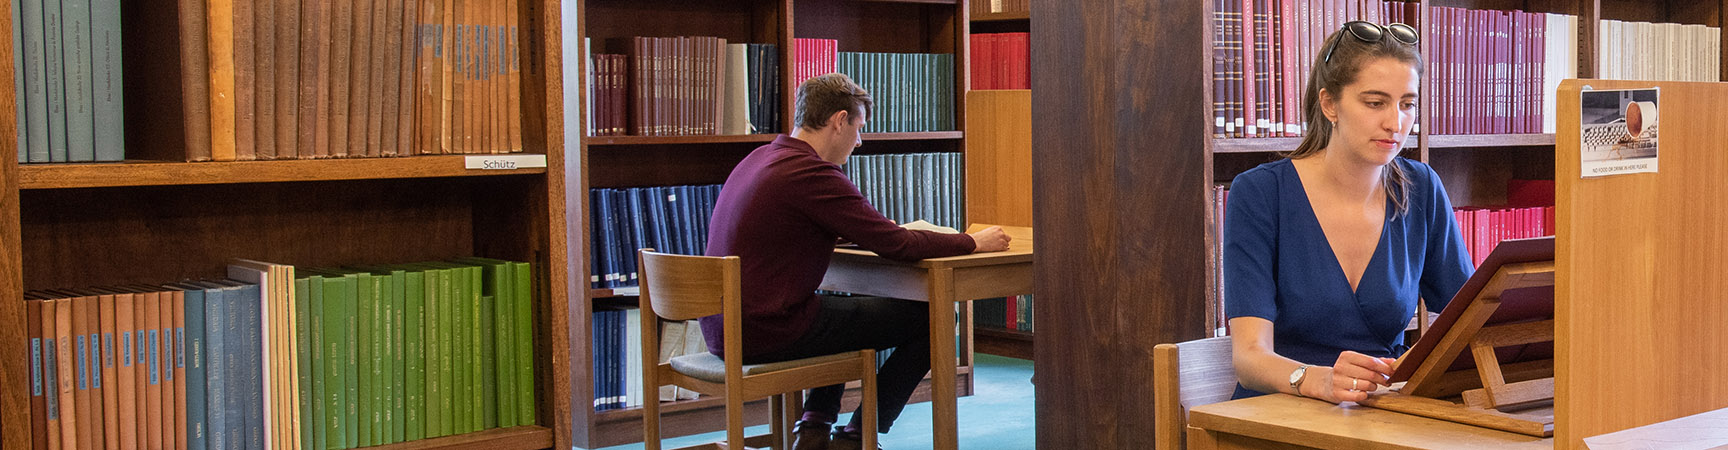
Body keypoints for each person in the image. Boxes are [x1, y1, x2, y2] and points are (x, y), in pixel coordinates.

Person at [702, 72, 1012, 450]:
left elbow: (800, 226)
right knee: (935, 318)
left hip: (726, 327)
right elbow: (895, 244)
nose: (860, 141)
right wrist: (971, 242)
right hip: (766, 331)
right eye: (858, 127)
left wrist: (864, 229)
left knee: (841, 312)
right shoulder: (812, 173)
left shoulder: (763, 157)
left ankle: (814, 429)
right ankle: (857, 436)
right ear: (838, 121)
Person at [1223, 21, 1473, 404]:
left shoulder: (1422, 187)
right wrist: (1317, 381)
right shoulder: (1259, 193)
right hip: (1275, 416)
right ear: (1329, 104)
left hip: (1375, 415)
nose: (1395, 123)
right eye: (1375, 103)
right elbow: (1249, 358)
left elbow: (1473, 322)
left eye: (1407, 104)